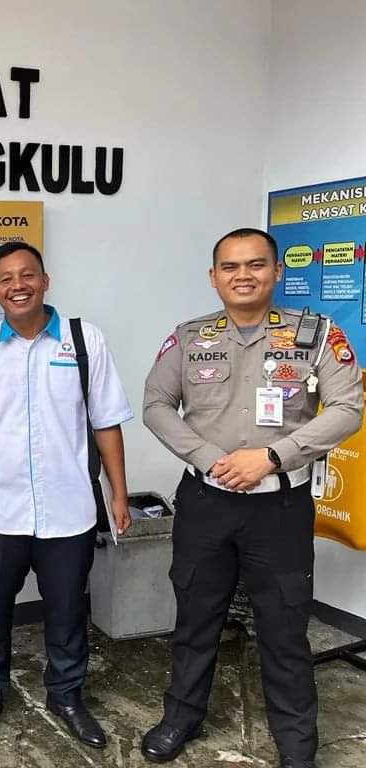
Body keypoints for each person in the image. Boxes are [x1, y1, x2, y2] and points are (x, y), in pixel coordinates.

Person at [141, 228, 363, 768]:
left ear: (277, 271)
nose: (243, 275)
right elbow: (156, 404)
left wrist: (272, 457)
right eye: (230, 266)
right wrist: (207, 457)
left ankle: (297, 743)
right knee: (195, 618)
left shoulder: (316, 335)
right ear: (213, 276)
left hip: (279, 508)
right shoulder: (190, 338)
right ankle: (181, 717)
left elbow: (348, 408)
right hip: (206, 501)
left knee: (285, 627)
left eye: (256, 264)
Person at [0, 240, 132, 749]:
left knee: (68, 610)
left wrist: (119, 495)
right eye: (6, 279)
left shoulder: (84, 340)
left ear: (45, 280)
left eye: (27, 274)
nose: (18, 286)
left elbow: (107, 422)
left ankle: (66, 695)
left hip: (68, 508)